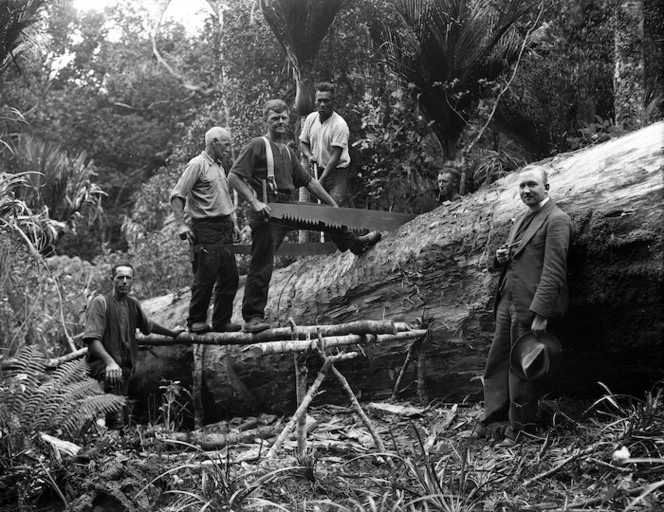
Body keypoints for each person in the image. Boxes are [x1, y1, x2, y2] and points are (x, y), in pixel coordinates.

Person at [229, 99, 381, 334]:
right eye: (274, 118)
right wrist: (255, 202)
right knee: (262, 264)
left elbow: (309, 182)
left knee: (321, 216)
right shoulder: (257, 146)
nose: (280, 122)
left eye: (283, 118)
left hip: (287, 206)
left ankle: (355, 244)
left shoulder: (288, 152)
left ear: (288, 120)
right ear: (266, 121)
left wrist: (332, 205)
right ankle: (252, 318)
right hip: (267, 213)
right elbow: (234, 177)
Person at [473, 166, 573, 446]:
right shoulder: (521, 219)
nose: (526, 191)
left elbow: (554, 271)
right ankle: (493, 419)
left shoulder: (557, 220)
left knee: (523, 368)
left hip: (531, 307)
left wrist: (542, 314)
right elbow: (510, 259)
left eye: (532, 185)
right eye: (522, 187)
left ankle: (522, 430)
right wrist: (499, 258)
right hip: (508, 302)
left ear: (547, 188)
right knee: (496, 363)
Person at [83, 263, 183, 429]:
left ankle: (119, 438)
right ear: (111, 280)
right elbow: (92, 339)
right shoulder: (100, 303)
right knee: (115, 414)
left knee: (125, 407)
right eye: (120, 277)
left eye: (128, 278)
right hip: (102, 365)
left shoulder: (132, 304)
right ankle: (113, 436)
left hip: (124, 366)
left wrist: (172, 333)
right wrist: (109, 363)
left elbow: (147, 326)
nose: (124, 281)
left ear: (132, 281)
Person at [170, 127, 240, 334]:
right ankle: (196, 320)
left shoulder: (219, 166)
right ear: (214, 143)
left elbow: (223, 198)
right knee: (205, 276)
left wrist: (233, 223)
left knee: (230, 276)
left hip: (224, 227)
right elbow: (177, 195)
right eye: (226, 144)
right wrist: (180, 224)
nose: (228, 149)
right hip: (206, 228)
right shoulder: (197, 164)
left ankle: (221, 321)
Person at [299, 82, 350, 206]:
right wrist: (309, 156)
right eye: (319, 100)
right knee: (317, 213)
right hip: (318, 170)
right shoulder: (311, 119)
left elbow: (335, 157)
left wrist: (320, 181)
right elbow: (302, 142)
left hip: (337, 172)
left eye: (326, 101)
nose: (322, 104)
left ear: (333, 102)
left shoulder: (339, 125)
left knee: (334, 210)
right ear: (315, 101)